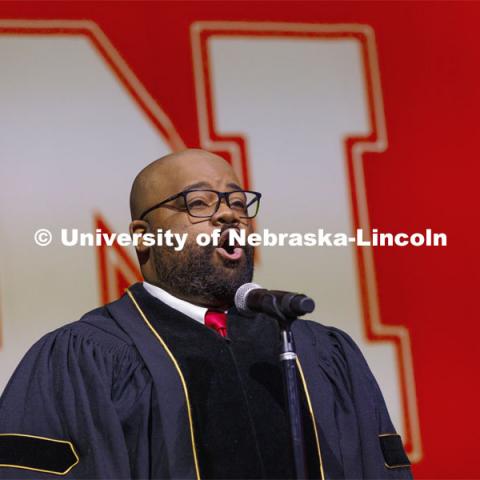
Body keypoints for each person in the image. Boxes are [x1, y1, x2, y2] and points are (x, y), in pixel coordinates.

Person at [0, 149, 412, 479]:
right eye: (198, 203)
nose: (229, 213)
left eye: (237, 201)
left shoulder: (317, 350)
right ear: (144, 238)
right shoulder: (84, 357)